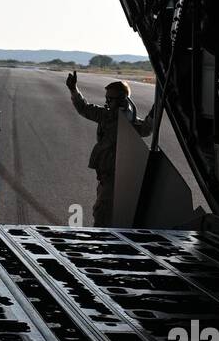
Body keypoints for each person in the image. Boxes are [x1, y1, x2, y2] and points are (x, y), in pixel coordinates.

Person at [65, 72, 154, 226]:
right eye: (106, 98)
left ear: (122, 101)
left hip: (116, 176)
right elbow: (84, 108)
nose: (106, 102)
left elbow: (145, 129)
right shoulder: (107, 116)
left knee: (102, 212)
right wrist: (73, 89)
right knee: (105, 211)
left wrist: (154, 112)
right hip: (106, 176)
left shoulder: (128, 122)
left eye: (110, 99)